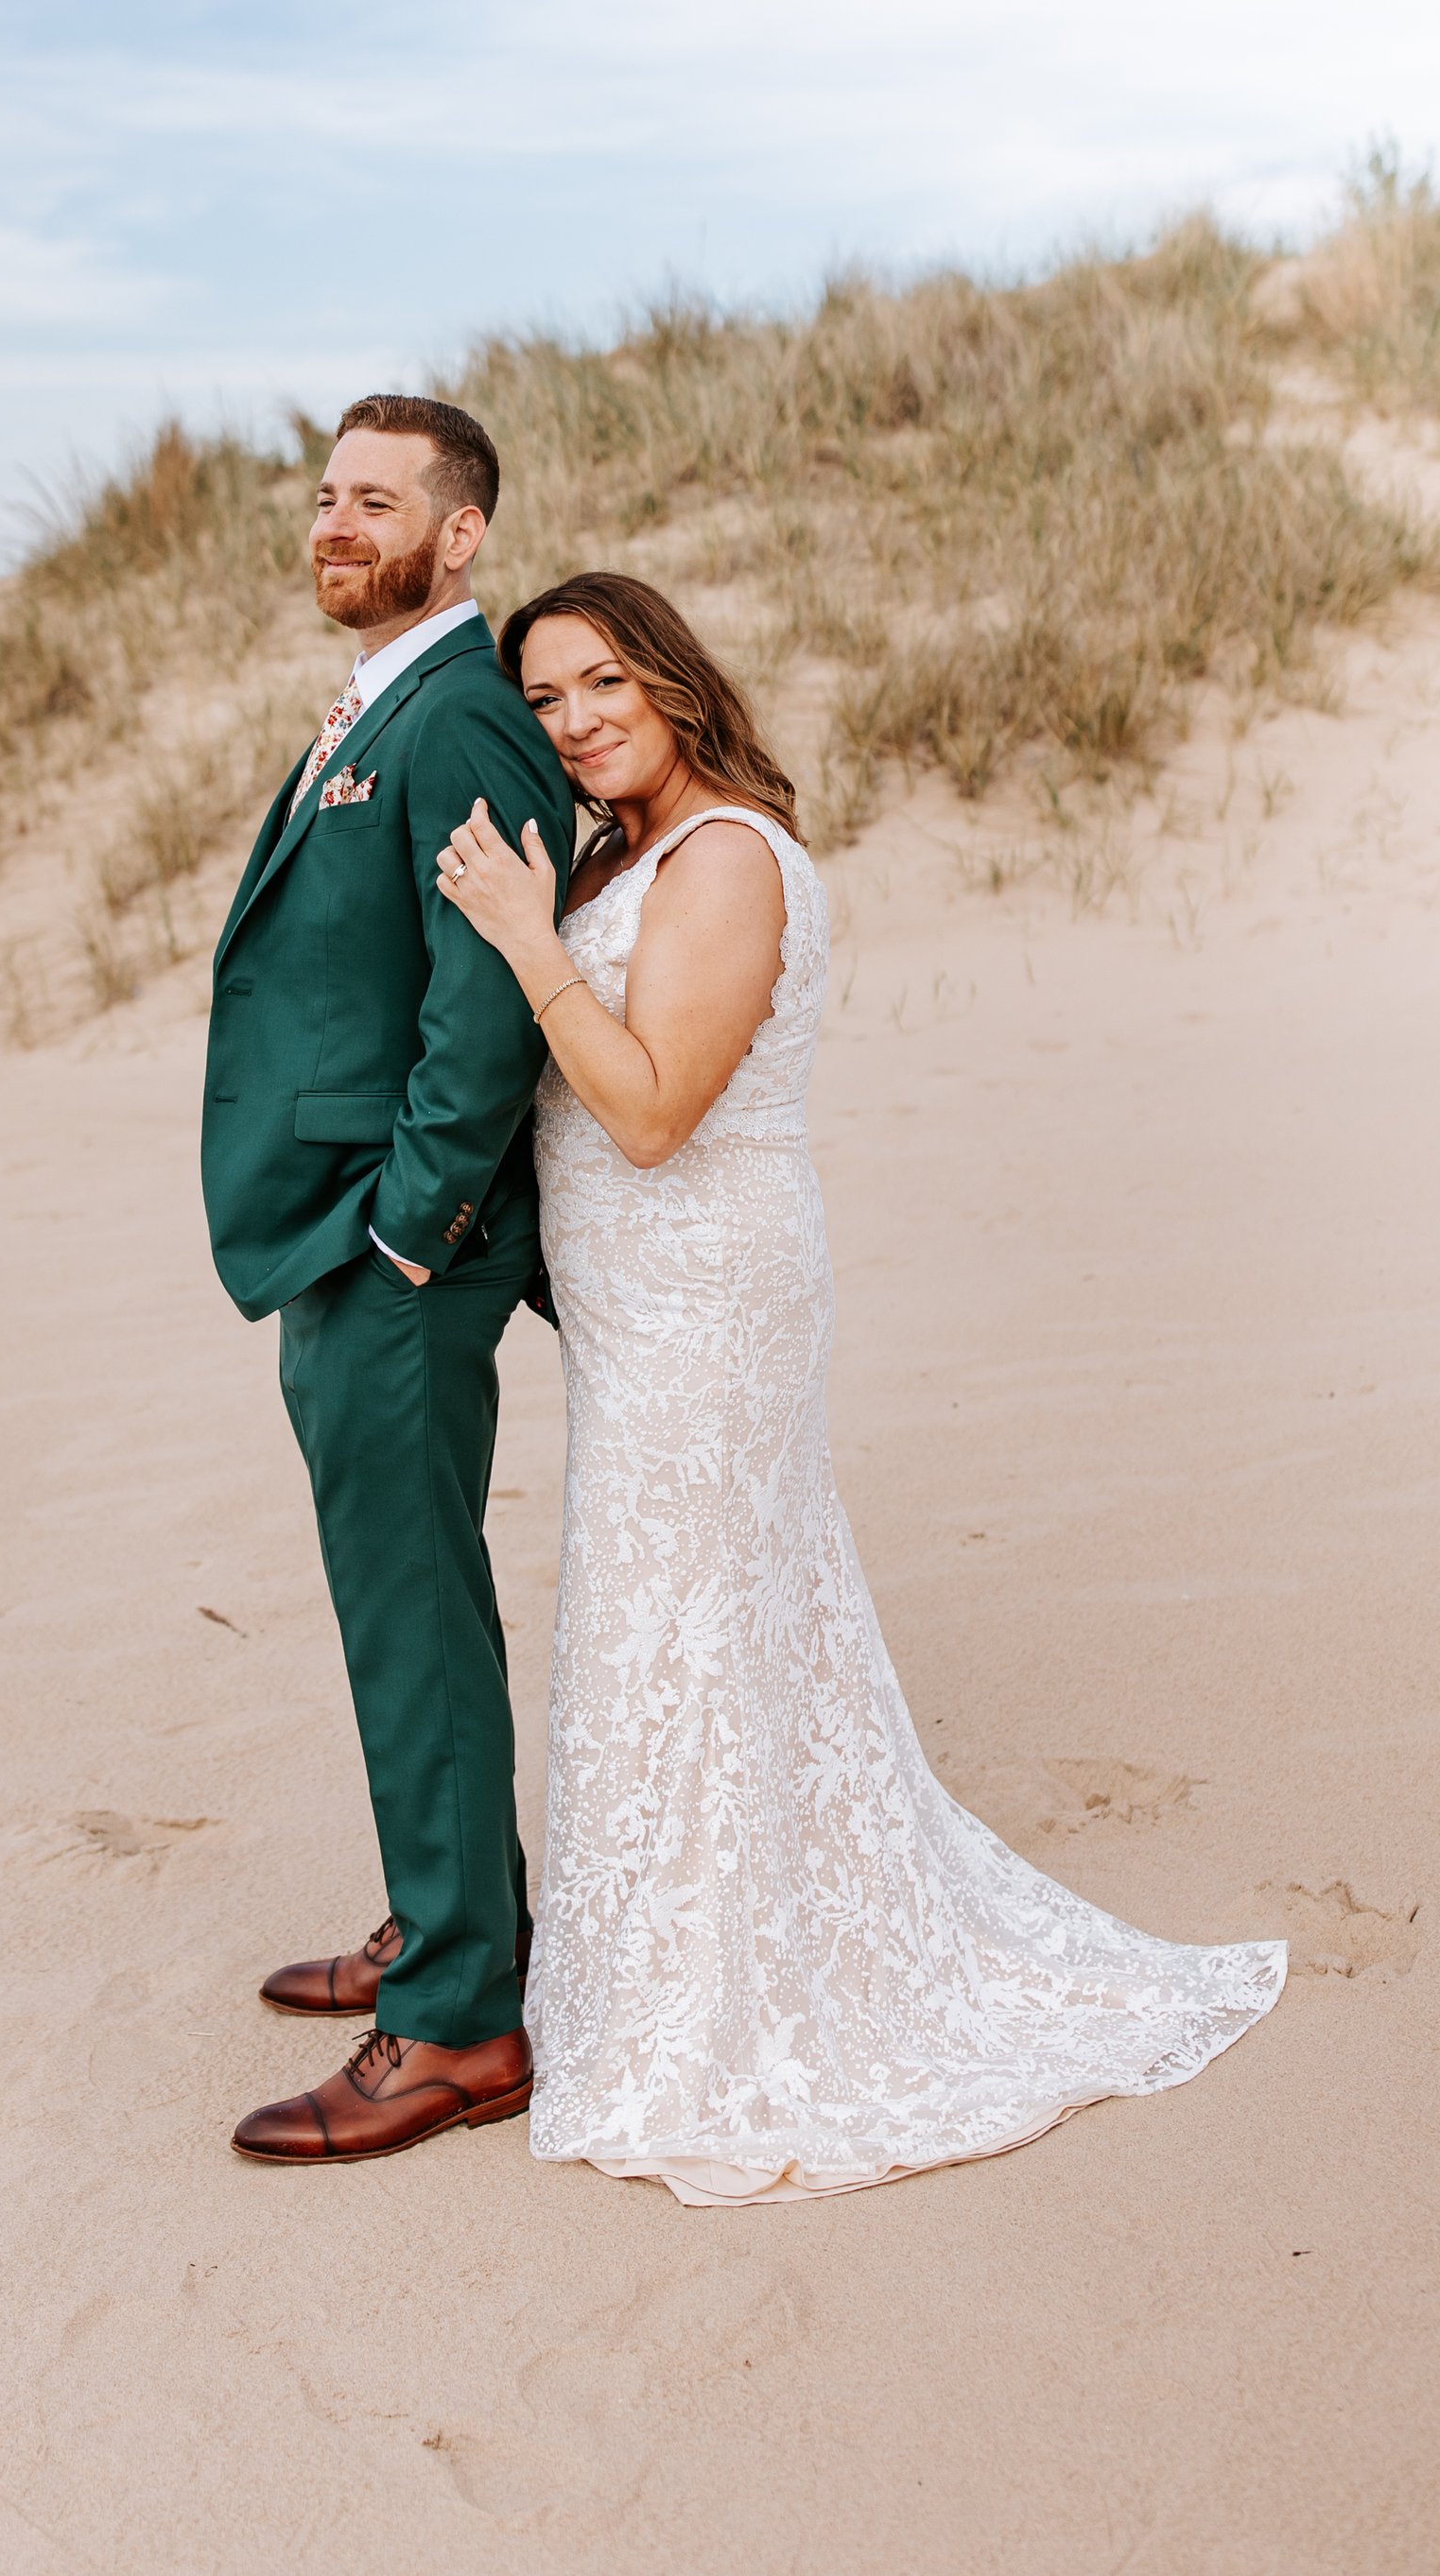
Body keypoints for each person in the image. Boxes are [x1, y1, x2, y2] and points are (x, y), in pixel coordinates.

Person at [436, 571, 1285, 2203]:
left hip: (711, 1290)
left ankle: (721, 2001)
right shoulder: (635, 853)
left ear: (674, 680)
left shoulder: (731, 858)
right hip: (640, 1305)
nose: (574, 721)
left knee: (687, 1609)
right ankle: (674, 1958)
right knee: (686, 1613)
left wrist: (530, 946)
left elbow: (657, 1107)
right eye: (542, 701)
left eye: (601, 681)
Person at [203, 395, 577, 2166]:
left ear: (461, 532)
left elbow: (485, 993)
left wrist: (412, 1223)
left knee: (415, 1614)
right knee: (398, 1602)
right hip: (341, 1227)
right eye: (325, 495)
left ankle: (461, 2024)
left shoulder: (466, 718)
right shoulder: (387, 701)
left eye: (377, 500)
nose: (334, 523)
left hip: (394, 1242)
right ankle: (452, 1920)